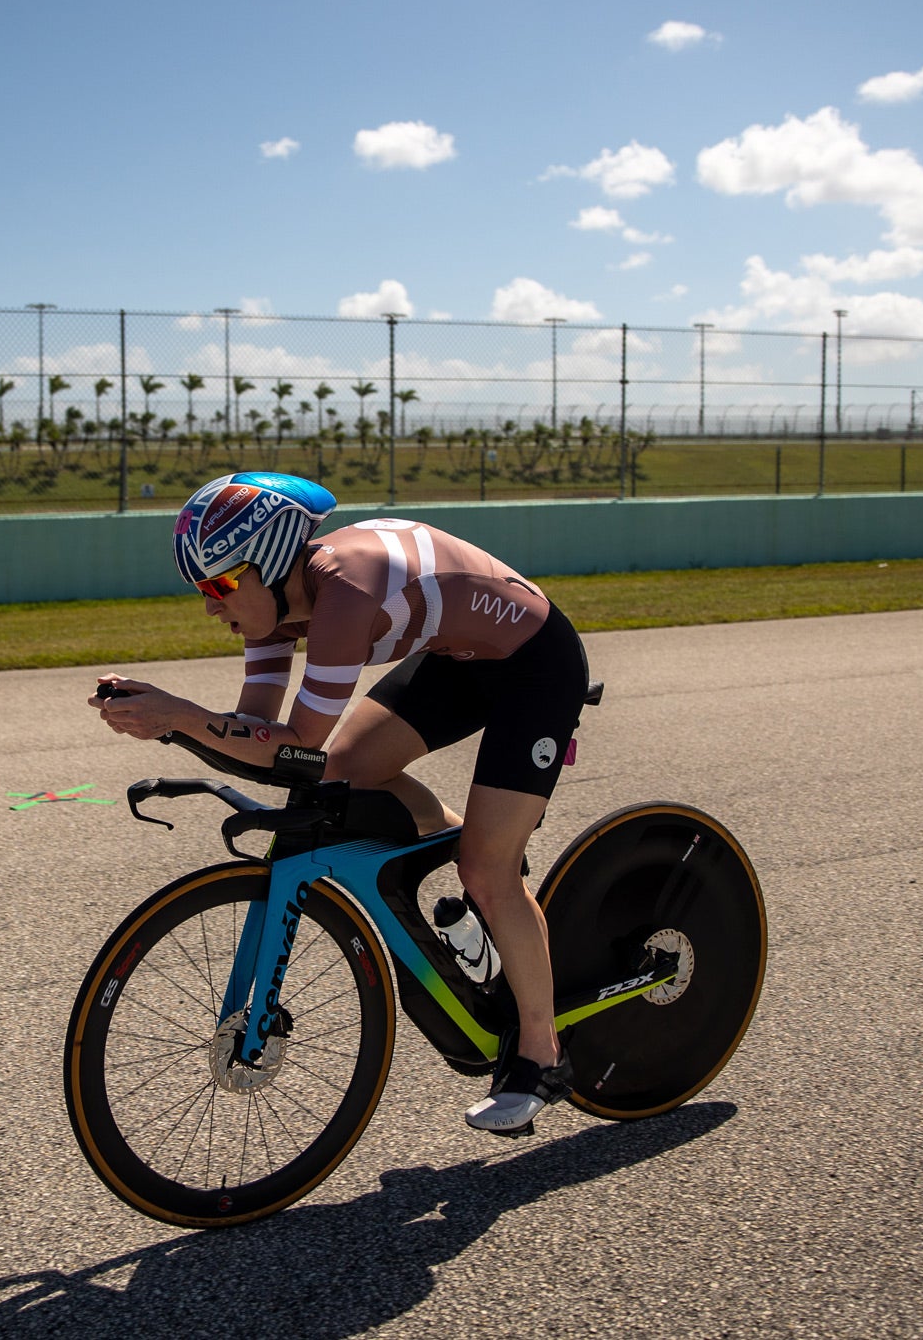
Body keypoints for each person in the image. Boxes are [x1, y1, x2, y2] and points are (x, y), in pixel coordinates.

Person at [89, 472, 592, 1135]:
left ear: (269, 562)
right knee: (348, 775)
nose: (211, 607)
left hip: (535, 664)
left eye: (219, 586)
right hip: (459, 659)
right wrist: (170, 722)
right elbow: (256, 734)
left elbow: (298, 742)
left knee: (486, 869)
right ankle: (461, 860)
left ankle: (541, 1054)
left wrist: (182, 716)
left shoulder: (345, 595)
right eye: (201, 591)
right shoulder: (273, 607)